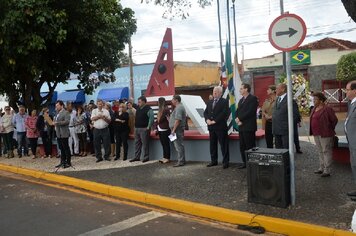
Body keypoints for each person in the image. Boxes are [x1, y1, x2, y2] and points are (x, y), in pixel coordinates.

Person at [309, 92, 338, 177]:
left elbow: (334, 120)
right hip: (316, 133)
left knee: (326, 151)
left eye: (315, 99)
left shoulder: (327, 109)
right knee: (320, 151)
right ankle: (321, 167)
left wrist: (329, 128)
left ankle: (327, 170)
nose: (313, 101)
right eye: (313, 99)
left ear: (321, 100)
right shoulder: (314, 108)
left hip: (325, 133)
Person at [204, 86, 230, 169]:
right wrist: (207, 119)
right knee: (212, 145)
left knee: (223, 145)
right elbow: (206, 112)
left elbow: (224, 113)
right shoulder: (209, 102)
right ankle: (213, 161)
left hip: (220, 127)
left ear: (220, 93)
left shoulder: (224, 101)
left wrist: (215, 120)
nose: (214, 92)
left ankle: (225, 162)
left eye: (217, 91)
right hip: (211, 127)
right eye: (214, 91)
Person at [235, 83, 259, 169]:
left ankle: (252, 163)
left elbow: (250, 111)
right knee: (242, 146)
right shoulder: (241, 100)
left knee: (250, 146)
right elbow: (237, 111)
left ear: (246, 89)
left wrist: (240, 118)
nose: (240, 90)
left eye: (241, 88)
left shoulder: (253, 99)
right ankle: (245, 163)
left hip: (249, 126)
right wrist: (237, 118)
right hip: (241, 126)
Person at [272, 83, 299, 150]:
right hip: (276, 130)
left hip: (285, 131)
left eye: (277, 88)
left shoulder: (290, 100)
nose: (275, 90)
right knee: (278, 150)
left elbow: (295, 116)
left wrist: (288, 126)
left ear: (283, 89)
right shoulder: (277, 99)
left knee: (286, 150)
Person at [130, 96, 154, 163]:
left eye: (139, 102)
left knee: (145, 144)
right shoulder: (138, 108)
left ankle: (146, 157)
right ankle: (137, 157)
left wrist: (148, 127)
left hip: (144, 128)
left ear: (144, 101)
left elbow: (151, 118)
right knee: (137, 143)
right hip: (137, 128)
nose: (138, 103)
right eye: (138, 102)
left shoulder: (148, 109)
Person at [344, 81, 356, 201]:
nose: (346, 92)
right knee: (354, 165)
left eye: (347, 90)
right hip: (352, 142)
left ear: (354, 90)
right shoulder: (351, 103)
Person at [169, 95, 187, 167]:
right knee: (178, 145)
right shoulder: (179, 107)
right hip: (176, 129)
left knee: (178, 146)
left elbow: (178, 120)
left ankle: (181, 161)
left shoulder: (179, 107)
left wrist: (173, 130)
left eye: (172, 99)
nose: (171, 101)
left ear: (176, 100)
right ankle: (181, 160)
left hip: (177, 130)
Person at [53, 100, 71, 168]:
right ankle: (62, 161)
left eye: (57, 105)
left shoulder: (66, 112)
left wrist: (57, 123)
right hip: (58, 133)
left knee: (66, 148)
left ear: (61, 105)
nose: (56, 107)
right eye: (56, 106)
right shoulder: (57, 113)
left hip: (64, 133)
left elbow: (67, 121)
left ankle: (68, 162)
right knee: (61, 148)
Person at [157, 97, 171, 164]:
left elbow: (162, 119)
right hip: (160, 128)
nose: (158, 103)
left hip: (165, 128)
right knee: (163, 144)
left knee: (166, 144)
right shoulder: (160, 109)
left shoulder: (166, 109)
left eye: (158, 101)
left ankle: (167, 158)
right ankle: (164, 157)